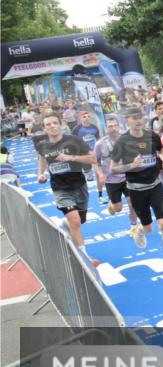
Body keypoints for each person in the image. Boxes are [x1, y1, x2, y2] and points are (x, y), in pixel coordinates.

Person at [110, 108, 163, 278]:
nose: (137, 120)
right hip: (136, 189)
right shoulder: (122, 141)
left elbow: (161, 150)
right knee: (149, 228)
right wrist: (130, 166)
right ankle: (140, 229)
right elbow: (113, 168)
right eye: (134, 118)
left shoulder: (151, 135)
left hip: (156, 185)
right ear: (126, 120)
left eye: (140, 117)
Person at [34, 112, 99, 267]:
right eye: (48, 124)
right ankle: (84, 259)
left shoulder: (73, 141)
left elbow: (93, 159)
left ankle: (68, 225)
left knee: (79, 221)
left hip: (79, 185)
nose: (52, 126)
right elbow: (42, 159)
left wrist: (72, 158)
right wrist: (40, 174)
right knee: (75, 220)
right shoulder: (42, 145)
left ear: (60, 124)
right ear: (44, 128)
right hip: (60, 188)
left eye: (54, 123)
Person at [94, 116, 136, 225]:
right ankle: (112, 206)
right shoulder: (100, 144)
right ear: (106, 128)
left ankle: (134, 227)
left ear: (119, 126)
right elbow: (95, 161)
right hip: (111, 180)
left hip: (127, 177)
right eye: (110, 126)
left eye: (115, 125)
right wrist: (100, 174)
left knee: (132, 203)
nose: (113, 128)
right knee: (118, 209)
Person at [72, 109, 104, 203]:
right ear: (80, 119)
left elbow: (98, 139)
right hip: (83, 153)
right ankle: (88, 195)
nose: (86, 118)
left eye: (88, 116)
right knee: (89, 177)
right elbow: (73, 140)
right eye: (84, 117)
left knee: (98, 171)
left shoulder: (94, 128)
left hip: (94, 152)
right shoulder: (77, 129)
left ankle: (100, 192)